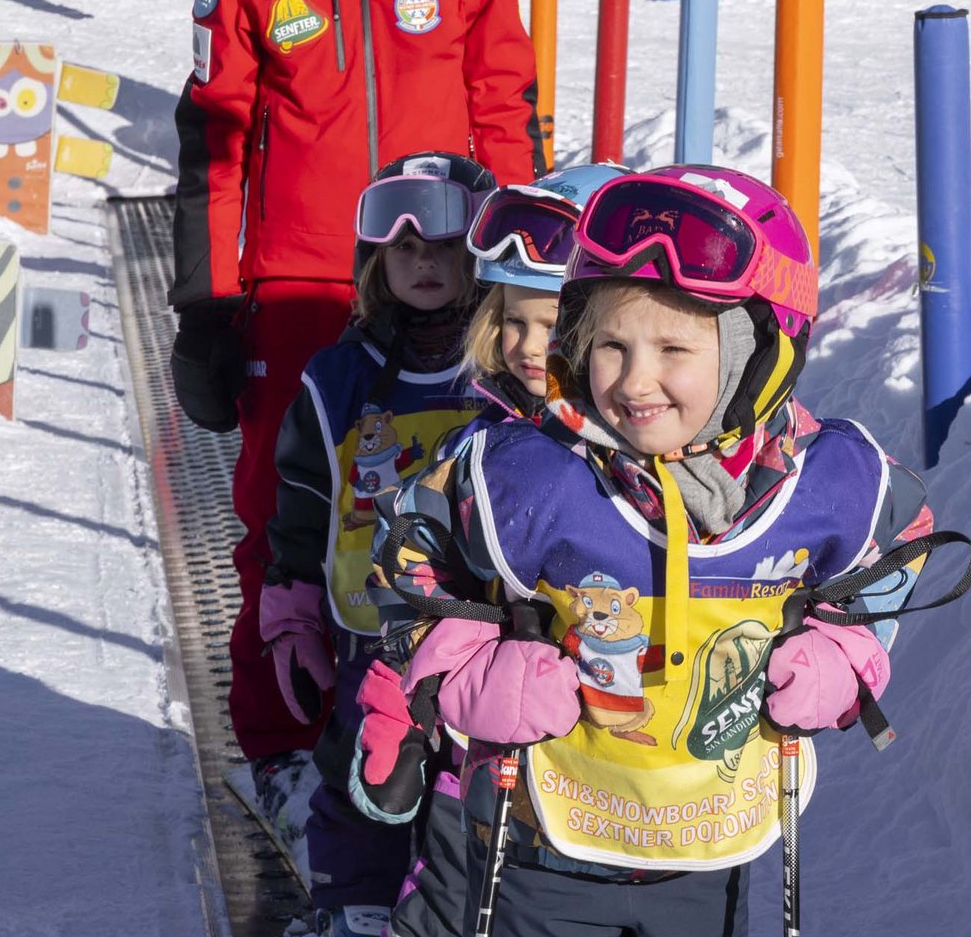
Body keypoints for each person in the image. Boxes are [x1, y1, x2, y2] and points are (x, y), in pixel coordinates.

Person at [167, 0, 540, 823]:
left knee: (463, 506)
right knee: (282, 518)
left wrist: (527, 278)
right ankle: (283, 748)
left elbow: (508, 114)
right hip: (303, 287)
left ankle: (447, 727)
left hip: (448, 284)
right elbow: (211, 141)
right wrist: (206, 305)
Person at [393, 165, 932, 937]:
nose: (635, 380)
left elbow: (899, 542)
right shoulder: (530, 472)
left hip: (703, 854)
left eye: (673, 348)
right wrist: (467, 668)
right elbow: (410, 552)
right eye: (610, 344)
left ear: (755, 355)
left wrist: (846, 653)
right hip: (539, 847)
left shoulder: (817, 482)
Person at [349, 163, 627, 937]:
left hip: (621, 778)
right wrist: (399, 693)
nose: (529, 347)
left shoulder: (659, 457)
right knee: (451, 904)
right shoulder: (479, 449)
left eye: (554, 325)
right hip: (480, 758)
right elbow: (410, 567)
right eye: (512, 320)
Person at [260, 152, 496, 937]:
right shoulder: (338, 378)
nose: (423, 262)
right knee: (362, 768)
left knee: (462, 785)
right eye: (403, 248)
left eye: (443, 244)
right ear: (374, 261)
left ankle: (446, 913)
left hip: (478, 636)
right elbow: (300, 502)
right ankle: (353, 905)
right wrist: (292, 612)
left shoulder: (503, 373)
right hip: (372, 629)